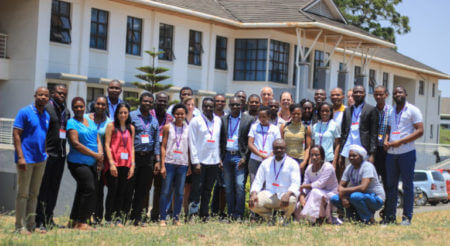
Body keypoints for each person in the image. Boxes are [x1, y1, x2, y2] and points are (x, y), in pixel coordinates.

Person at [383, 86, 423, 226]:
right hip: (391, 154)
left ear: (405, 94)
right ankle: (390, 217)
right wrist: (386, 140)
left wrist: (401, 141)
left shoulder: (413, 110)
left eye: (400, 92)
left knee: (407, 186)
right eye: (395, 93)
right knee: (390, 186)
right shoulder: (391, 111)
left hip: (407, 153)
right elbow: (388, 129)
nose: (397, 94)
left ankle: (407, 217)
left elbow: (420, 131)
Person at [13, 87, 50, 234]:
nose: (43, 97)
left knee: (34, 194)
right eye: (40, 95)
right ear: (35, 95)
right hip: (26, 159)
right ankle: (19, 226)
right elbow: (16, 134)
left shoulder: (46, 115)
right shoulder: (24, 112)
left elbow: (43, 136)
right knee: (23, 194)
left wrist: (45, 152)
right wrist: (21, 157)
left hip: (40, 159)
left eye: (46, 96)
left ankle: (30, 225)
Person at [35, 85, 70, 232]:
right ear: (53, 93)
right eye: (59, 93)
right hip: (48, 155)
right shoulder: (47, 109)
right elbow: (41, 131)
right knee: (44, 189)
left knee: (54, 189)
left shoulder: (66, 111)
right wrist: (43, 151)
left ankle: (49, 218)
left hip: (61, 155)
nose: (61, 95)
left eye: (64, 94)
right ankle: (39, 220)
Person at [66, 97, 104, 230]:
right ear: (72, 108)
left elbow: (97, 138)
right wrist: (95, 155)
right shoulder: (71, 123)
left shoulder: (89, 121)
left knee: (82, 190)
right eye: (76, 107)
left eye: (81, 106)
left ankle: (73, 220)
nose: (79, 109)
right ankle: (82, 222)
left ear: (85, 107)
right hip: (77, 163)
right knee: (89, 188)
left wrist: (100, 157)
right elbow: (76, 144)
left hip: (92, 162)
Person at [249, 139, 300, 223]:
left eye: (281, 148)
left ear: (285, 148)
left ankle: (284, 219)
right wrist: (254, 194)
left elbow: (296, 183)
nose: (279, 150)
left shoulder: (292, 163)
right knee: (253, 203)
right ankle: (270, 218)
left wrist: (287, 195)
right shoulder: (266, 163)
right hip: (269, 194)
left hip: (284, 195)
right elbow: (258, 181)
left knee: (292, 200)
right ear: (272, 149)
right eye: (276, 148)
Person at [330, 145, 385, 224]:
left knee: (355, 196)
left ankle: (369, 219)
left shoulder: (367, 166)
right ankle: (354, 218)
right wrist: (343, 197)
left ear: (361, 156)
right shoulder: (349, 168)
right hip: (359, 196)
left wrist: (344, 191)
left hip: (376, 198)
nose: (351, 158)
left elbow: (363, 188)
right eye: (350, 156)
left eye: (354, 156)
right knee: (334, 199)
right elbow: (340, 186)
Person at [219, 97, 253, 221]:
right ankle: (231, 213)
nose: (235, 107)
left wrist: (245, 157)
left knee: (239, 185)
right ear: (229, 105)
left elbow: (251, 140)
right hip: (226, 156)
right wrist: (220, 158)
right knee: (228, 187)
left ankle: (239, 214)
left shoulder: (248, 120)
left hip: (240, 156)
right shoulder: (223, 120)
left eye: (237, 105)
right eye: (232, 105)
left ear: (241, 106)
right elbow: (220, 141)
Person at [188, 97, 222, 221]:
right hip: (200, 162)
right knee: (196, 189)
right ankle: (192, 214)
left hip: (213, 161)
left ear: (214, 107)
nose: (208, 108)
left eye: (210, 106)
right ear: (202, 107)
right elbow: (191, 142)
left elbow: (219, 141)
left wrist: (219, 159)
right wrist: (195, 162)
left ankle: (204, 214)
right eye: (206, 106)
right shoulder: (195, 121)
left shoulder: (218, 121)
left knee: (208, 190)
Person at [130, 92, 160, 226]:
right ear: (140, 101)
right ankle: (124, 215)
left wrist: (157, 160)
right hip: (134, 156)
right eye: (145, 101)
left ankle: (137, 217)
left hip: (148, 158)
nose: (148, 104)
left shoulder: (154, 120)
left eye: (150, 102)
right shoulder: (132, 116)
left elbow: (156, 142)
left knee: (143, 189)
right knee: (129, 187)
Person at [104, 103, 135, 227]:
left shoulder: (131, 128)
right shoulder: (111, 126)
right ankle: (108, 219)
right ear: (117, 114)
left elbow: (132, 147)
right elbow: (107, 145)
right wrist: (111, 163)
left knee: (122, 192)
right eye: (121, 112)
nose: (123, 115)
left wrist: (132, 165)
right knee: (113, 191)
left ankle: (118, 219)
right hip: (114, 163)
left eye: (125, 112)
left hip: (126, 164)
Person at [338, 85, 378, 181]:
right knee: (348, 178)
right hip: (348, 150)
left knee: (363, 178)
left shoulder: (371, 109)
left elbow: (374, 133)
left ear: (364, 94)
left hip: (364, 150)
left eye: (360, 92)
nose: (358, 94)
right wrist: (341, 154)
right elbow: (344, 133)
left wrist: (372, 154)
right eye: (356, 92)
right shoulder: (347, 111)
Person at [159, 104, 190, 226]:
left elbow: (189, 148)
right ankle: (163, 217)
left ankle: (176, 218)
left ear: (185, 114)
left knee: (180, 192)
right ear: (173, 114)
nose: (180, 116)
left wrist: (190, 166)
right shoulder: (168, 127)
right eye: (177, 113)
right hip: (169, 163)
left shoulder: (188, 128)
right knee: (166, 191)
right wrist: (162, 165)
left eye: (182, 114)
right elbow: (163, 146)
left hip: (182, 164)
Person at [295, 145, 338, 224]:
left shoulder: (328, 167)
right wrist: (302, 196)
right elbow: (305, 184)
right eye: (312, 155)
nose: (314, 157)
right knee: (299, 197)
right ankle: (305, 218)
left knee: (315, 191)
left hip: (330, 193)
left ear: (322, 156)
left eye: (317, 155)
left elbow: (320, 184)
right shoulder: (309, 168)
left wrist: (304, 186)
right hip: (314, 193)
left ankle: (311, 218)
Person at [88, 96, 112, 225]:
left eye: (103, 105)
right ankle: (85, 215)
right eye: (98, 104)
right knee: (87, 189)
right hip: (86, 158)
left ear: (106, 107)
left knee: (99, 190)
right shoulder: (87, 118)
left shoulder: (109, 122)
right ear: (94, 104)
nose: (100, 107)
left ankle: (97, 217)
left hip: (102, 161)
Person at [149, 92, 173, 222]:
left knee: (159, 187)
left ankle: (155, 214)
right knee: (145, 186)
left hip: (163, 156)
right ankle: (141, 213)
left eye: (164, 101)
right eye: (160, 100)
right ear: (155, 101)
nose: (162, 103)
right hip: (148, 155)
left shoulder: (170, 118)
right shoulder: (149, 115)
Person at [248, 106, 281, 186]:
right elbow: (250, 143)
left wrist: (269, 156)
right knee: (254, 183)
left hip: (269, 160)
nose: (262, 119)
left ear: (269, 117)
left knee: (267, 184)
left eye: (264, 117)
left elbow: (277, 145)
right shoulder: (254, 127)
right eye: (260, 117)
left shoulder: (275, 129)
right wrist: (260, 154)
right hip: (255, 160)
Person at [280, 103, 311, 172]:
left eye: (298, 114)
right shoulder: (284, 126)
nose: (296, 116)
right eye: (294, 113)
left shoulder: (306, 128)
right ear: (290, 113)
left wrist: (304, 162)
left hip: (300, 159)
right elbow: (281, 144)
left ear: (301, 114)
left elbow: (308, 147)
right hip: (286, 159)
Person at [373, 85, 392, 193]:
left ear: (386, 95)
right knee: (373, 179)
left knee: (387, 179)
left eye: (381, 94)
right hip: (374, 150)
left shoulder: (391, 111)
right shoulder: (372, 111)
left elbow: (391, 128)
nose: (379, 96)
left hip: (387, 150)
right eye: (376, 94)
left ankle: (388, 207)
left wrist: (386, 140)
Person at [212, 93, 227, 219]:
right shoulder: (207, 117)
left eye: (222, 101)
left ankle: (219, 212)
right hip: (208, 156)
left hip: (222, 156)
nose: (220, 103)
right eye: (217, 101)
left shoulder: (226, 118)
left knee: (221, 185)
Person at [312, 102, 340, 167]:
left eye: (327, 111)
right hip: (316, 159)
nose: (324, 113)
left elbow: (337, 144)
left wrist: (335, 162)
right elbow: (313, 144)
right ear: (319, 112)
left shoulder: (335, 125)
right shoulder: (315, 126)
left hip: (329, 159)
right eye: (322, 111)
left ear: (330, 112)